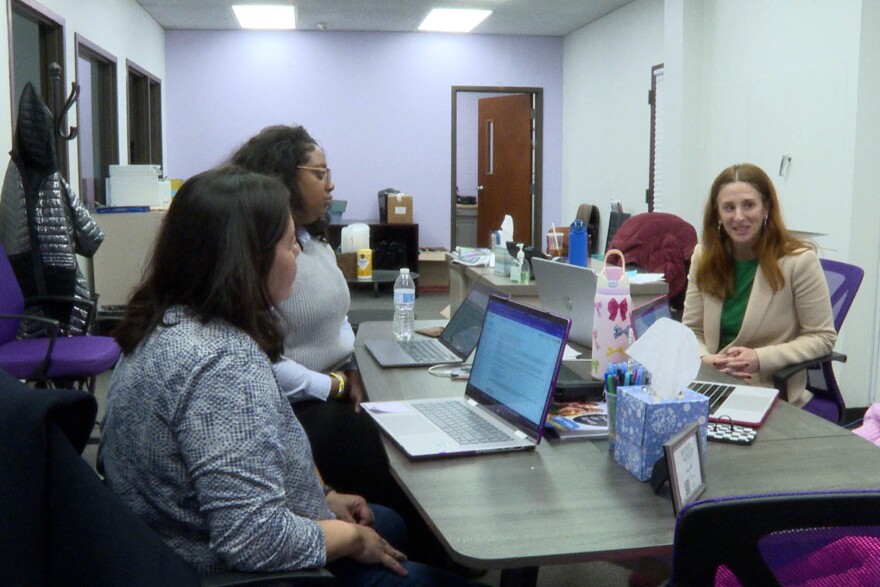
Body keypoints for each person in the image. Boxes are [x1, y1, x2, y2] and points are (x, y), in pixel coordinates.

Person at [98, 166, 469, 586]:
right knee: (403, 552)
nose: (297, 254)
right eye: (291, 244)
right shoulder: (221, 364)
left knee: (390, 524)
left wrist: (325, 497)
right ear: (248, 260)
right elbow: (252, 538)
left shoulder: (166, 323)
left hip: (169, 544)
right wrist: (348, 538)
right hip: (234, 570)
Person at [682, 162, 836, 407]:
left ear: (766, 208)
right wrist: (704, 360)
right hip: (710, 384)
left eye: (748, 205)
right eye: (728, 207)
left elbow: (822, 337)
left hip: (769, 389)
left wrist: (759, 358)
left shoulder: (798, 261)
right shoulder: (704, 256)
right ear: (717, 213)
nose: (739, 216)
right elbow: (691, 330)